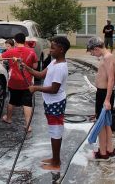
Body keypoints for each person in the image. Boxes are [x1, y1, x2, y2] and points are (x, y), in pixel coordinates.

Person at [23, 36, 70, 171]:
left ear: (61, 50)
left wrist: (36, 88)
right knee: (53, 131)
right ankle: (55, 158)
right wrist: (25, 66)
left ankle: (56, 163)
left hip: (55, 102)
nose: (50, 50)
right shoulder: (54, 63)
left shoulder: (60, 67)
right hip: (50, 102)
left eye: (53, 48)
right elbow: (40, 75)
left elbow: (54, 89)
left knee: (56, 132)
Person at [0, 33, 38, 132]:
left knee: (12, 100)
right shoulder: (31, 52)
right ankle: (28, 126)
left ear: (16, 42)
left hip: (14, 81)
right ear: (24, 41)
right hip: (27, 82)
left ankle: (8, 118)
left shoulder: (11, 52)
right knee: (27, 103)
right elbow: (35, 67)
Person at [86, 36, 115, 161]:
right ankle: (109, 150)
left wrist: (107, 98)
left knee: (101, 124)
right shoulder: (108, 57)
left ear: (96, 48)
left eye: (92, 52)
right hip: (104, 92)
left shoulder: (108, 58)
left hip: (104, 94)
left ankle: (103, 153)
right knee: (105, 123)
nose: (93, 54)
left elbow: (111, 78)